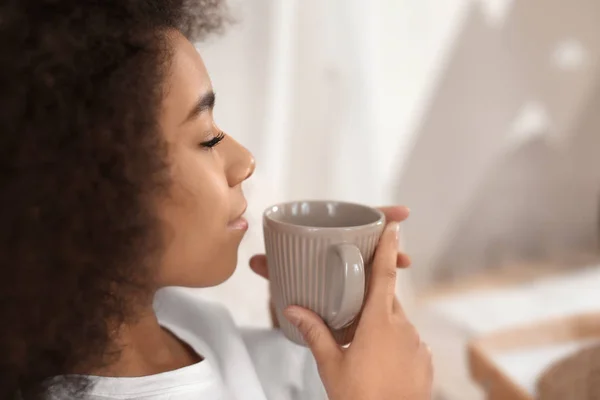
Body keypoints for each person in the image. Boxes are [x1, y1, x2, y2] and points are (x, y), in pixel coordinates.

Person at [0, 1, 433, 399]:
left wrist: (318, 326)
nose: (244, 162)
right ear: (93, 190)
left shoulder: (181, 321)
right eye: (208, 139)